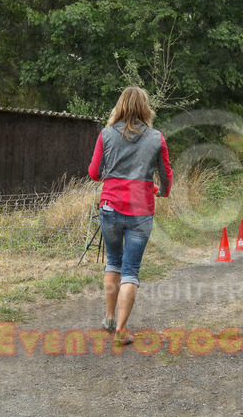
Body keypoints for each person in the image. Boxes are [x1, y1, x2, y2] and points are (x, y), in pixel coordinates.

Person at [88, 87, 173, 345]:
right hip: (141, 211)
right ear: (145, 108)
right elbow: (166, 174)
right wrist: (162, 191)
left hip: (110, 207)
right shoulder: (156, 138)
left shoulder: (106, 135)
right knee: (131, 270)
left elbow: (94, 173)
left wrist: (113, 174)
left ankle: (109, 318)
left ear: (120, 106)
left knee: (113, 262)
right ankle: (121, 330)